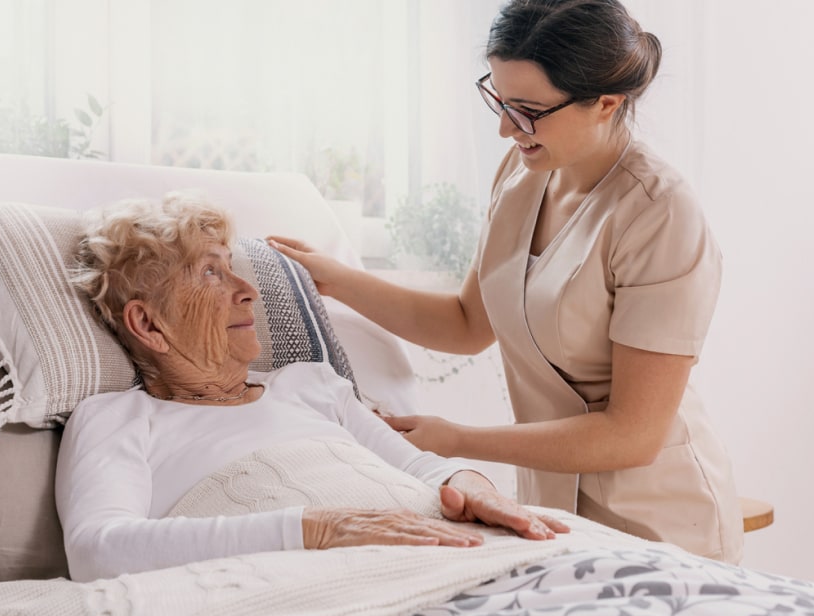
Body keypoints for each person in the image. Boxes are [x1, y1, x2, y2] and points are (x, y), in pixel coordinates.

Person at [269, 0, 743, 563]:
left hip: (660, 518)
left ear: (607, 103)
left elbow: (633, 435)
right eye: (498, 99)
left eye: (526, 110)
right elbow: (468, 323)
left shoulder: (660, 214)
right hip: (552, 509)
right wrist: (335, 279)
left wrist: (457, 439)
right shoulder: (524, 170)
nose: (503, 128)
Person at [57, 191, 567, 583]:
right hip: (331, 587)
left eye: (232, 267)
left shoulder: (313, 384)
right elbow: (97, 549)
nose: (247, 290)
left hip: (454, 560)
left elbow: (420, 468)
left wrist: (471, 483)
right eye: (211, 273)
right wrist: (319, 529)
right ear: (148, 325)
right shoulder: (117, 419)